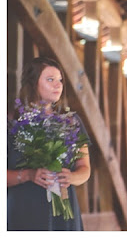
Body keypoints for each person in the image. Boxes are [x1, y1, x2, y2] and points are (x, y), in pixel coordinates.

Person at [7, 57, 91, 231]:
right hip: (24, 210)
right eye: (50, 79)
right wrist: (29, 175)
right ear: (33, 83)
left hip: (64, 212)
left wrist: (71, 177)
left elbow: (85, 168)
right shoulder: (11, 122)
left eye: (60, 80)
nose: (58, 85)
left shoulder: (71, 122)